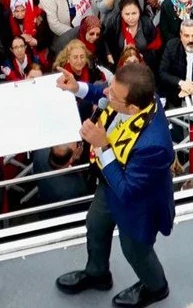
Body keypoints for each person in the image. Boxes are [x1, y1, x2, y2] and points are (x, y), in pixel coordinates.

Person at [55, 63, 174, 308]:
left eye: (114, 96)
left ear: (131, 107)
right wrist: (78, 88)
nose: (107, 94)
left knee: (135, 251)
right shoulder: (138, 96)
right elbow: (109, 91)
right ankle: (97, 274)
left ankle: (155, 287)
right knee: (95, 226)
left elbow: (129, 192)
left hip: (138, 204)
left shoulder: (155, 144)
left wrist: (102, 146)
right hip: (109, 183)